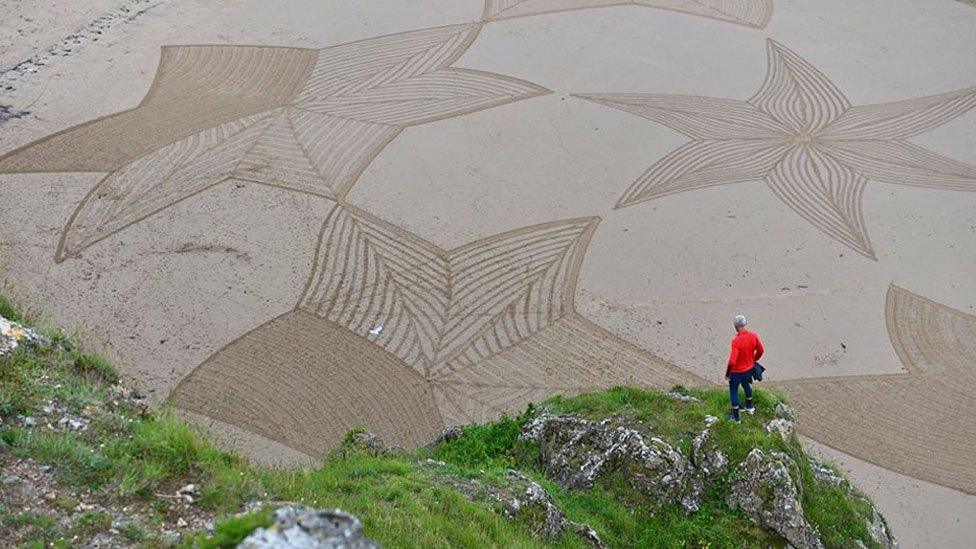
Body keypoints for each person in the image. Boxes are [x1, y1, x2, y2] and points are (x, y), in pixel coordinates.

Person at [725, 314, 764, 421]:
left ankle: (736, 416)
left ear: (735, 326)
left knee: (733, 391)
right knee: (746, 384)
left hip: (737, 372)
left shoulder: (736, 341)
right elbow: (761, 350)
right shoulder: (753, 336)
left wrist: (728, 374)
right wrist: (753, 359)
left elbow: (732, 361)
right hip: (749, 369)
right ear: (745, 324)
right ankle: (749, 406)